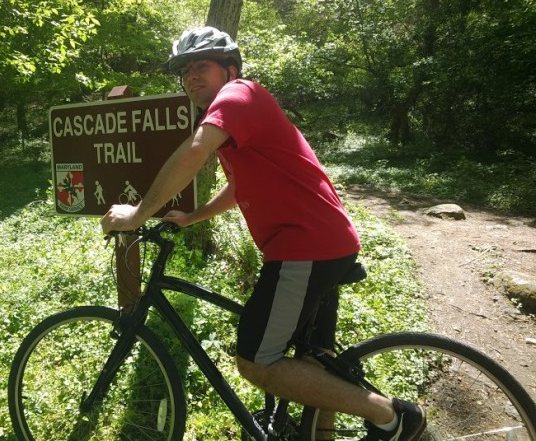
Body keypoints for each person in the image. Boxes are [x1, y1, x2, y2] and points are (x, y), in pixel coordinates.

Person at [100, 26, 426, 440]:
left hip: (304, 246)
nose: (192, 77)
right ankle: (316, 434)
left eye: (202, 66)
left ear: (230, 70)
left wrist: (138, 214)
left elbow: (195, 152)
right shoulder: (238, 119)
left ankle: (392, 415)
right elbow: (239, 187)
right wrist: (193, 216)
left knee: (257, 362)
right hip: (323, 242)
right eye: (185, 71)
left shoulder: (239, 96)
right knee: (314, 358)